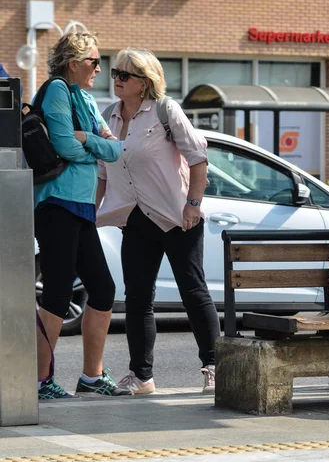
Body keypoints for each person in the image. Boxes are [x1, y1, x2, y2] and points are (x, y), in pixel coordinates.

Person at [96, 48, 220, 395]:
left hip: (176, 216)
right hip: (133, 218)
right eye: (115, 73)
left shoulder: (165, 110)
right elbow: (103, 173)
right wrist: (89, 213)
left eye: (124, 75)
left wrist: (193, 204)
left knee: (193, 291)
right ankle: (141, 376)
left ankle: (214, 366)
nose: (117, 80)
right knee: (136, 297)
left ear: (144, 82)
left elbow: (198, 157)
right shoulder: (109, 117)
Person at [35, 31, 132, 399]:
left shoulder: (87, 99)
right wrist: (92, 145)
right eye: (94, 61)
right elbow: (62, 145)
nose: (100, 68)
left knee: (103, 288)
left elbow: (116, 149)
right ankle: (40, 380)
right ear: (73, 63)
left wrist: (86, 140)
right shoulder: (58, 90)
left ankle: (92, 376)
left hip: (80, 205)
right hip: (56, 202)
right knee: (58, 293)